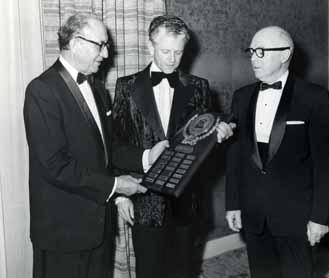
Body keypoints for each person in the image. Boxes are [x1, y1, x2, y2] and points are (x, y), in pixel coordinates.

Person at [23, 14, 147, 278]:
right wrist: (115, 186)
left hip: (99, 226)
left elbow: (108, 149)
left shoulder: (99, 90)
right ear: (76, 43)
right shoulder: (41, 90)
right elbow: (54, 166)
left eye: (107, 46)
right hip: (62, 232)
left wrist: (146, 158)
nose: (105, 54)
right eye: (100, 45)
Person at [112, 15, 234, 278]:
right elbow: (116, 145)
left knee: (184, 271)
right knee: (149, 271)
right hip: (144, 201)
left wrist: (218, 137)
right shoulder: (126, 87)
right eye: (165, 51)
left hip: (186, 201)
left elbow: (203, 147)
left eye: (178, 52)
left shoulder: (199, 87)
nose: (172, 59)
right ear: (149, 46)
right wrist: (121, 195)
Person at [225, 26, 329, 278]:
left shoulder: (314, 98)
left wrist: (320, 217)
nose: (253, 58)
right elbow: (235, 156)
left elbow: (326, 164)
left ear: (285, 54)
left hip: (296, 217)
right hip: (254, 215)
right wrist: (233, 203)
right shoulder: (241, 97)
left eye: (261, 52)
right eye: (252, 51)